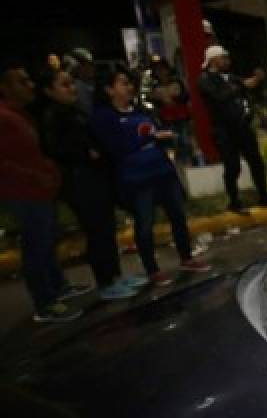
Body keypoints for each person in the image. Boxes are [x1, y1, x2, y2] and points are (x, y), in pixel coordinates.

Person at [90, 68, 210, 288]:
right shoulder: (104, 117)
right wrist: (150, 137)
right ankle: (152, 270)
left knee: (177, 216)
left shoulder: (141, 111)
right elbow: (114, 148)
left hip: (162, 172)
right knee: (144, 225)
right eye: (123, 83)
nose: (129, 87)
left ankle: (187, 258)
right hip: (137, 179)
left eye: (129, 83)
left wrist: (165, 138)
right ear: (108, 90)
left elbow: (156, 134)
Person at [34, 69, 141, 301]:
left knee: (106, 229)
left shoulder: (73, 111)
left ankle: (115, 276)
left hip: (95, 178)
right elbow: (57, 150)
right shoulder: (54, 116)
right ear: (49, 91)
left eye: (71, 83)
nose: (72, 88)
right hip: (81, 182)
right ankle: (106, 283)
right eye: (64, 85)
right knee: (97, 232)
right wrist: (86, 152)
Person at [0, 64, 84, 322]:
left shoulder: (19, 115)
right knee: (37, 245)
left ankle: (57, 287)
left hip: (39, 190)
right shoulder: (4, 117)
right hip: (25, 193)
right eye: (22, 82)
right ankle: (45, 302)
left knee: (47, 241)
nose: (30, 86)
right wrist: (37, 177)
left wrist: (48, 173)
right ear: (5, 88)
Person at [197, 45, 267, 212]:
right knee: (232, 166)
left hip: (243, 126)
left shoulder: (231, 78)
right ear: (212, 60)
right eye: (223, 58)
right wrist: (242, 85)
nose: (227, 61)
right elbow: (221, 96)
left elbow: (246, 85)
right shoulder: (205, 79)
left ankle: (264, 196)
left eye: (227, 57)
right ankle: (234, 201)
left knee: (256, 162)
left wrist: (257, 78)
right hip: (224, 130)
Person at [148, 55, 195, 168]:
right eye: (158, 70)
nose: (161, 72)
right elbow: (152, 101)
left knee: (185, 140)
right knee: (173, 141)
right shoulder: (155, 87)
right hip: (166, 118)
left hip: (182, 116)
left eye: (163, 69)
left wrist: (174, 98)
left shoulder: (177, 82)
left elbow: (186, 96)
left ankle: (189, 161)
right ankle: (178, 164)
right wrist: (160, 101)